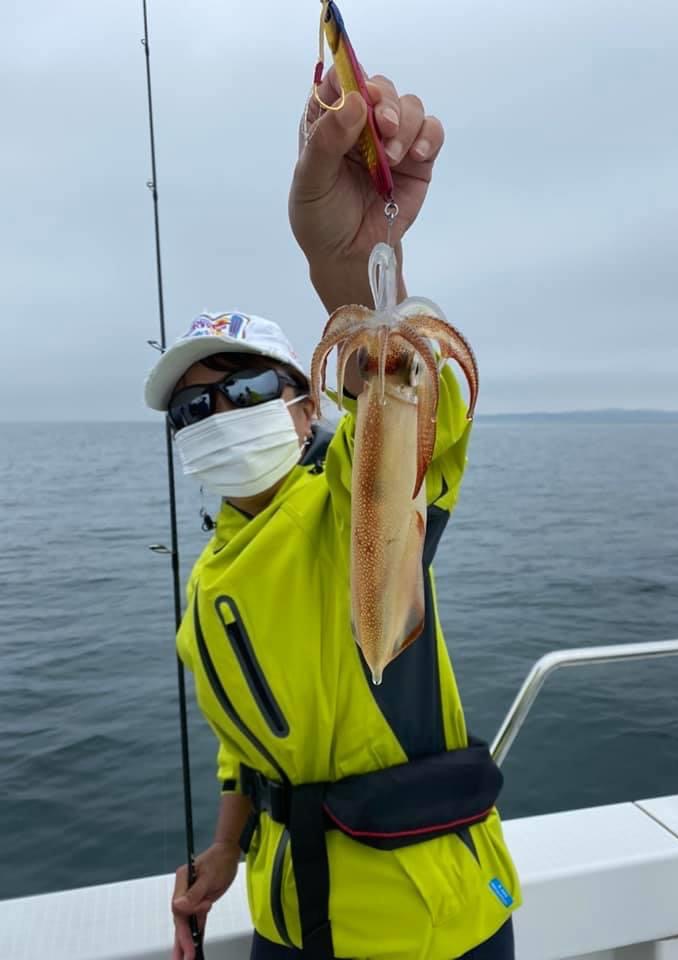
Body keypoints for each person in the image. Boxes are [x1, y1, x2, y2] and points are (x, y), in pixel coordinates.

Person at [145, 70, 521, 960]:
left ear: (307, 405)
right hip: (286, 918)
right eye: (191, 409)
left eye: (244, 389)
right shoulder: (208, 580)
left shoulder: (345, 494)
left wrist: (354, 272)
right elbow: (244, 744)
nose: (216, 414)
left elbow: (408, 409)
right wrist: (226, 849)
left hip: (424, 925)